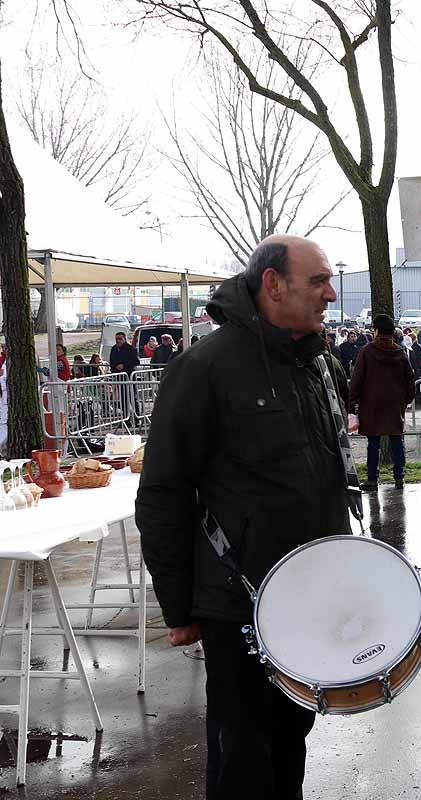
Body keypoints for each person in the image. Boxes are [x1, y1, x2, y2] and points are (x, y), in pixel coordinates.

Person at [136, 234, 351, 800]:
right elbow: (163, 491)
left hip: (308, 596)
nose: (331, 294)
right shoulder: (204, 367)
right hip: (240, 602)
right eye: (318, 282)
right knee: (243, 755)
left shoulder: (319, 362)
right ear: (273, 285)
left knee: (291, 739)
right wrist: (178, 606)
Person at [350, 314, 416, 490]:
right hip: (394, 404)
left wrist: (352, 403)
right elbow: (410, 380)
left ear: (376, 331)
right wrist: (405, 400)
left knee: (373, 443)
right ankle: (399, 477)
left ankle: (372, 479)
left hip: (372, 404)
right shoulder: (400, 353)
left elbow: (357, 379)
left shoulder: (366, 352)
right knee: (397, 440)